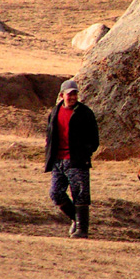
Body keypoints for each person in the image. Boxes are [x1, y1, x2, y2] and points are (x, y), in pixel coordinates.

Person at [44, 79, 99, 239]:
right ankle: (76, 219)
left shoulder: (85, 113)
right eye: (70, 94)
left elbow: (94, 139)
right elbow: (50, 136)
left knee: (80, 194)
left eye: (75, 93)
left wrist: (85, 152)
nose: (73, 97)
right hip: (58, 161)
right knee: (56, 193)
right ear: (62, 95)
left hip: (77, 161)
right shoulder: (54, 112)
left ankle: (82, 230)